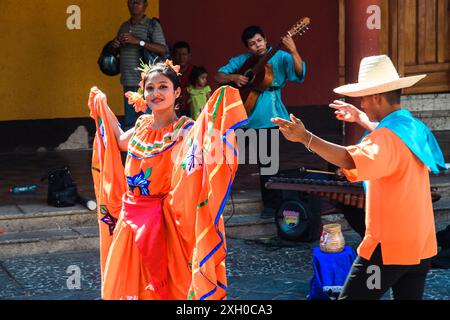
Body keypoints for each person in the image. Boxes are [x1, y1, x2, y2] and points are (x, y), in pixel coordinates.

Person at [272, 55, 446, 300]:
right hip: (421, 243)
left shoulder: (384, 138)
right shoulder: (414, 127)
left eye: (364, 97)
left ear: (376, 97)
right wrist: (361, 119)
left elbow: (348, 159)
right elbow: (394, 138)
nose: (362, 103)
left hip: (389, 249)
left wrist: (305, 137)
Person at [88, 60, 248, 300]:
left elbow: (202, 151)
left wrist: (218, 113)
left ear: (177, 92)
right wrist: (102, 106)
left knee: (172, 288)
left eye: (163, 87)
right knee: (130, 284)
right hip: (131, 223)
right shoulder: (141, 127)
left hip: (165, 225)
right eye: (150, 88)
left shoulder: (185, 130)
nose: (156, 93)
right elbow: (120, 140)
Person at [214, 25, 306, 217]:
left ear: (265, 39)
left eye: (259, 41)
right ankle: (216, 199)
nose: (257, 46)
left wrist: (294, 50)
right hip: (242, 118)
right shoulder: (243, 60)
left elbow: (299, 74)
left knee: (267, 164)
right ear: (248, 48)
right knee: (227, 157)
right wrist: (234, 77)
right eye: (252, 44)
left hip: (269, 117)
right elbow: (218, 75)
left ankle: (271, 207)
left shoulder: (280, 57)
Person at [109, 0, 168, 130]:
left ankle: (147, 149)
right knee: (130, 123)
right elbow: (117, 51)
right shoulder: (124, 26)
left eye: (138, 2)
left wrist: (138, 41)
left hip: (146, 82)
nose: (134, 5)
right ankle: (133, 149)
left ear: (145, 5)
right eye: (131, 2)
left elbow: (162, 49)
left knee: (147, 121)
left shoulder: (152, 25)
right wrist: (115, 45)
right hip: (127, 80)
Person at [171, 41, 194, 117]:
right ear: (173, 56)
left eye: (184, 54)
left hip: (192, 109)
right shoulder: (169, 72)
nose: (181, 58)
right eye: (178, 55)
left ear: (189, 56)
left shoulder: (195, 71)